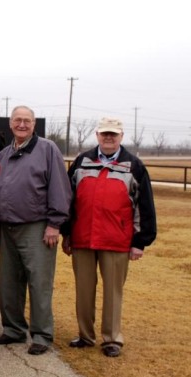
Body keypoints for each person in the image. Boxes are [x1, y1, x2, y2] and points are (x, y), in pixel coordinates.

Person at [61, 117, 156, 358]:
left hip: (116, 240)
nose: (109, 138)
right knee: (84, 290)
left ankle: (112, 339)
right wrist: (66, 232)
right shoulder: (82, 161)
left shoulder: (133, 165)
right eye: (105, 134)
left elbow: (144, 206)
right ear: (97, 135)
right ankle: (85, 335)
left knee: (113, 293)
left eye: (113, 134)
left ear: (121, 136)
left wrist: (139, 242)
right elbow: (67, 199)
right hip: (82, 238)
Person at [0, 105, 72, 355]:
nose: (22, 125)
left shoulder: (47, 149)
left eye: (27, 120)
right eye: (18, 120)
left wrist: (54, 224)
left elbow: (60, 188)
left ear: (34, 123)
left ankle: (41, 334)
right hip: (7, 227)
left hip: (37, 227)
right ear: (11, 123)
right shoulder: (4, 154)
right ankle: (14, 329)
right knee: (9, 283)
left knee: (39, 282)